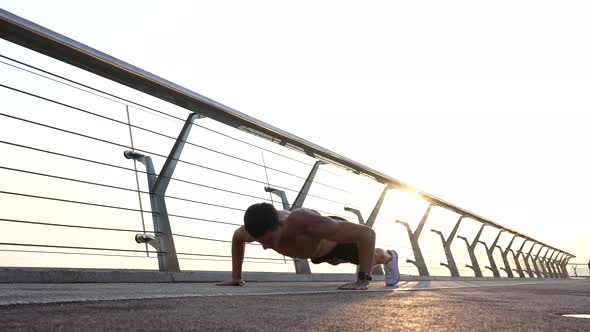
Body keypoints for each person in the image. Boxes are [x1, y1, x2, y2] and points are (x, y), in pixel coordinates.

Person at [217, 202, 400, 290]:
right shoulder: (255, 228)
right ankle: (335, 258)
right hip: (317, 252)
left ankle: (390, 256)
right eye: (260, 241)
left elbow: (367, 233)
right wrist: (236, 277)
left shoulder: (304, 222)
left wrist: (362, 279)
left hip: (334, 240)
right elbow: (237, 238)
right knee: (334, 262)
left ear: (280, 225)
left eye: (269, 241)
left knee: (370, 257)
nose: (265, 247)